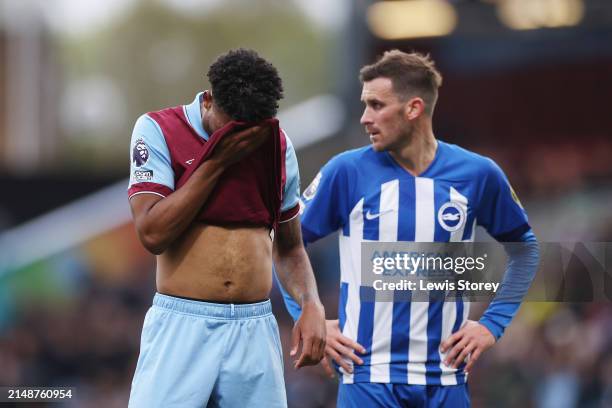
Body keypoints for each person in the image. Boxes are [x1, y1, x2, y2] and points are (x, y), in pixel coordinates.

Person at [280, 50, 539, 407]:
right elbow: (285, 246)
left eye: (376, 105)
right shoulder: (346, 172)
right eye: (364, 105)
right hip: (367, 377)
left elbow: (525, 249)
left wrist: (492, 324)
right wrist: (309, 318)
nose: (364, 118)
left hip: (446, 380)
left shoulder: (478, 175)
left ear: (414, 108)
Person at [127, 49, 326, 408]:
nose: (243, 136)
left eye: (251, 127)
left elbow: (290, 246)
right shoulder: (157, 129)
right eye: (231, 125)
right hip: (182, 324)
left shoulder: (277, 146)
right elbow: (152, 233)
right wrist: (217, 162)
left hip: (254, 328)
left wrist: (310, 304)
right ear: (208, 101)